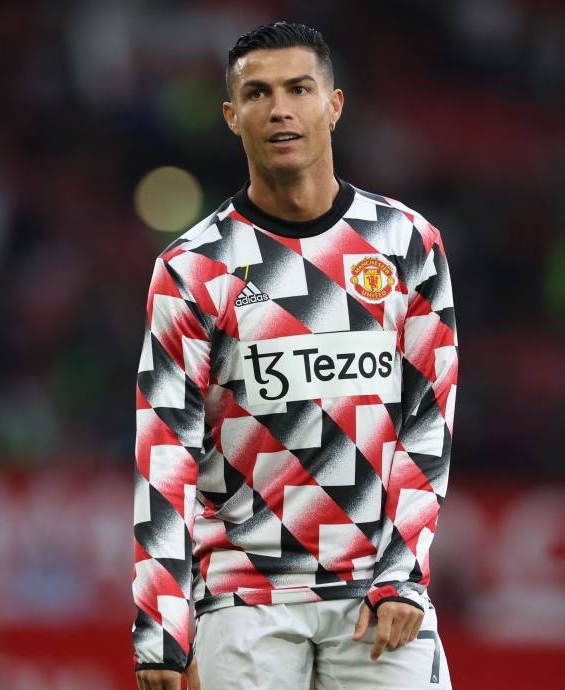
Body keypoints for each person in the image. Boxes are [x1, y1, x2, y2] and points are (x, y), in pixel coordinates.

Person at [132, 21, 457, 690]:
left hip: (376, 595)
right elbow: (166, 452)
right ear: (232, 116)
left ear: (333, 105)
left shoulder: (405, 243)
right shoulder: (194, 267)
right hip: (244, 596)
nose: (279, 108)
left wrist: (404, 574)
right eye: (258, 93)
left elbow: (428, 421)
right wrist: (161, 624)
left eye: (299, 89)